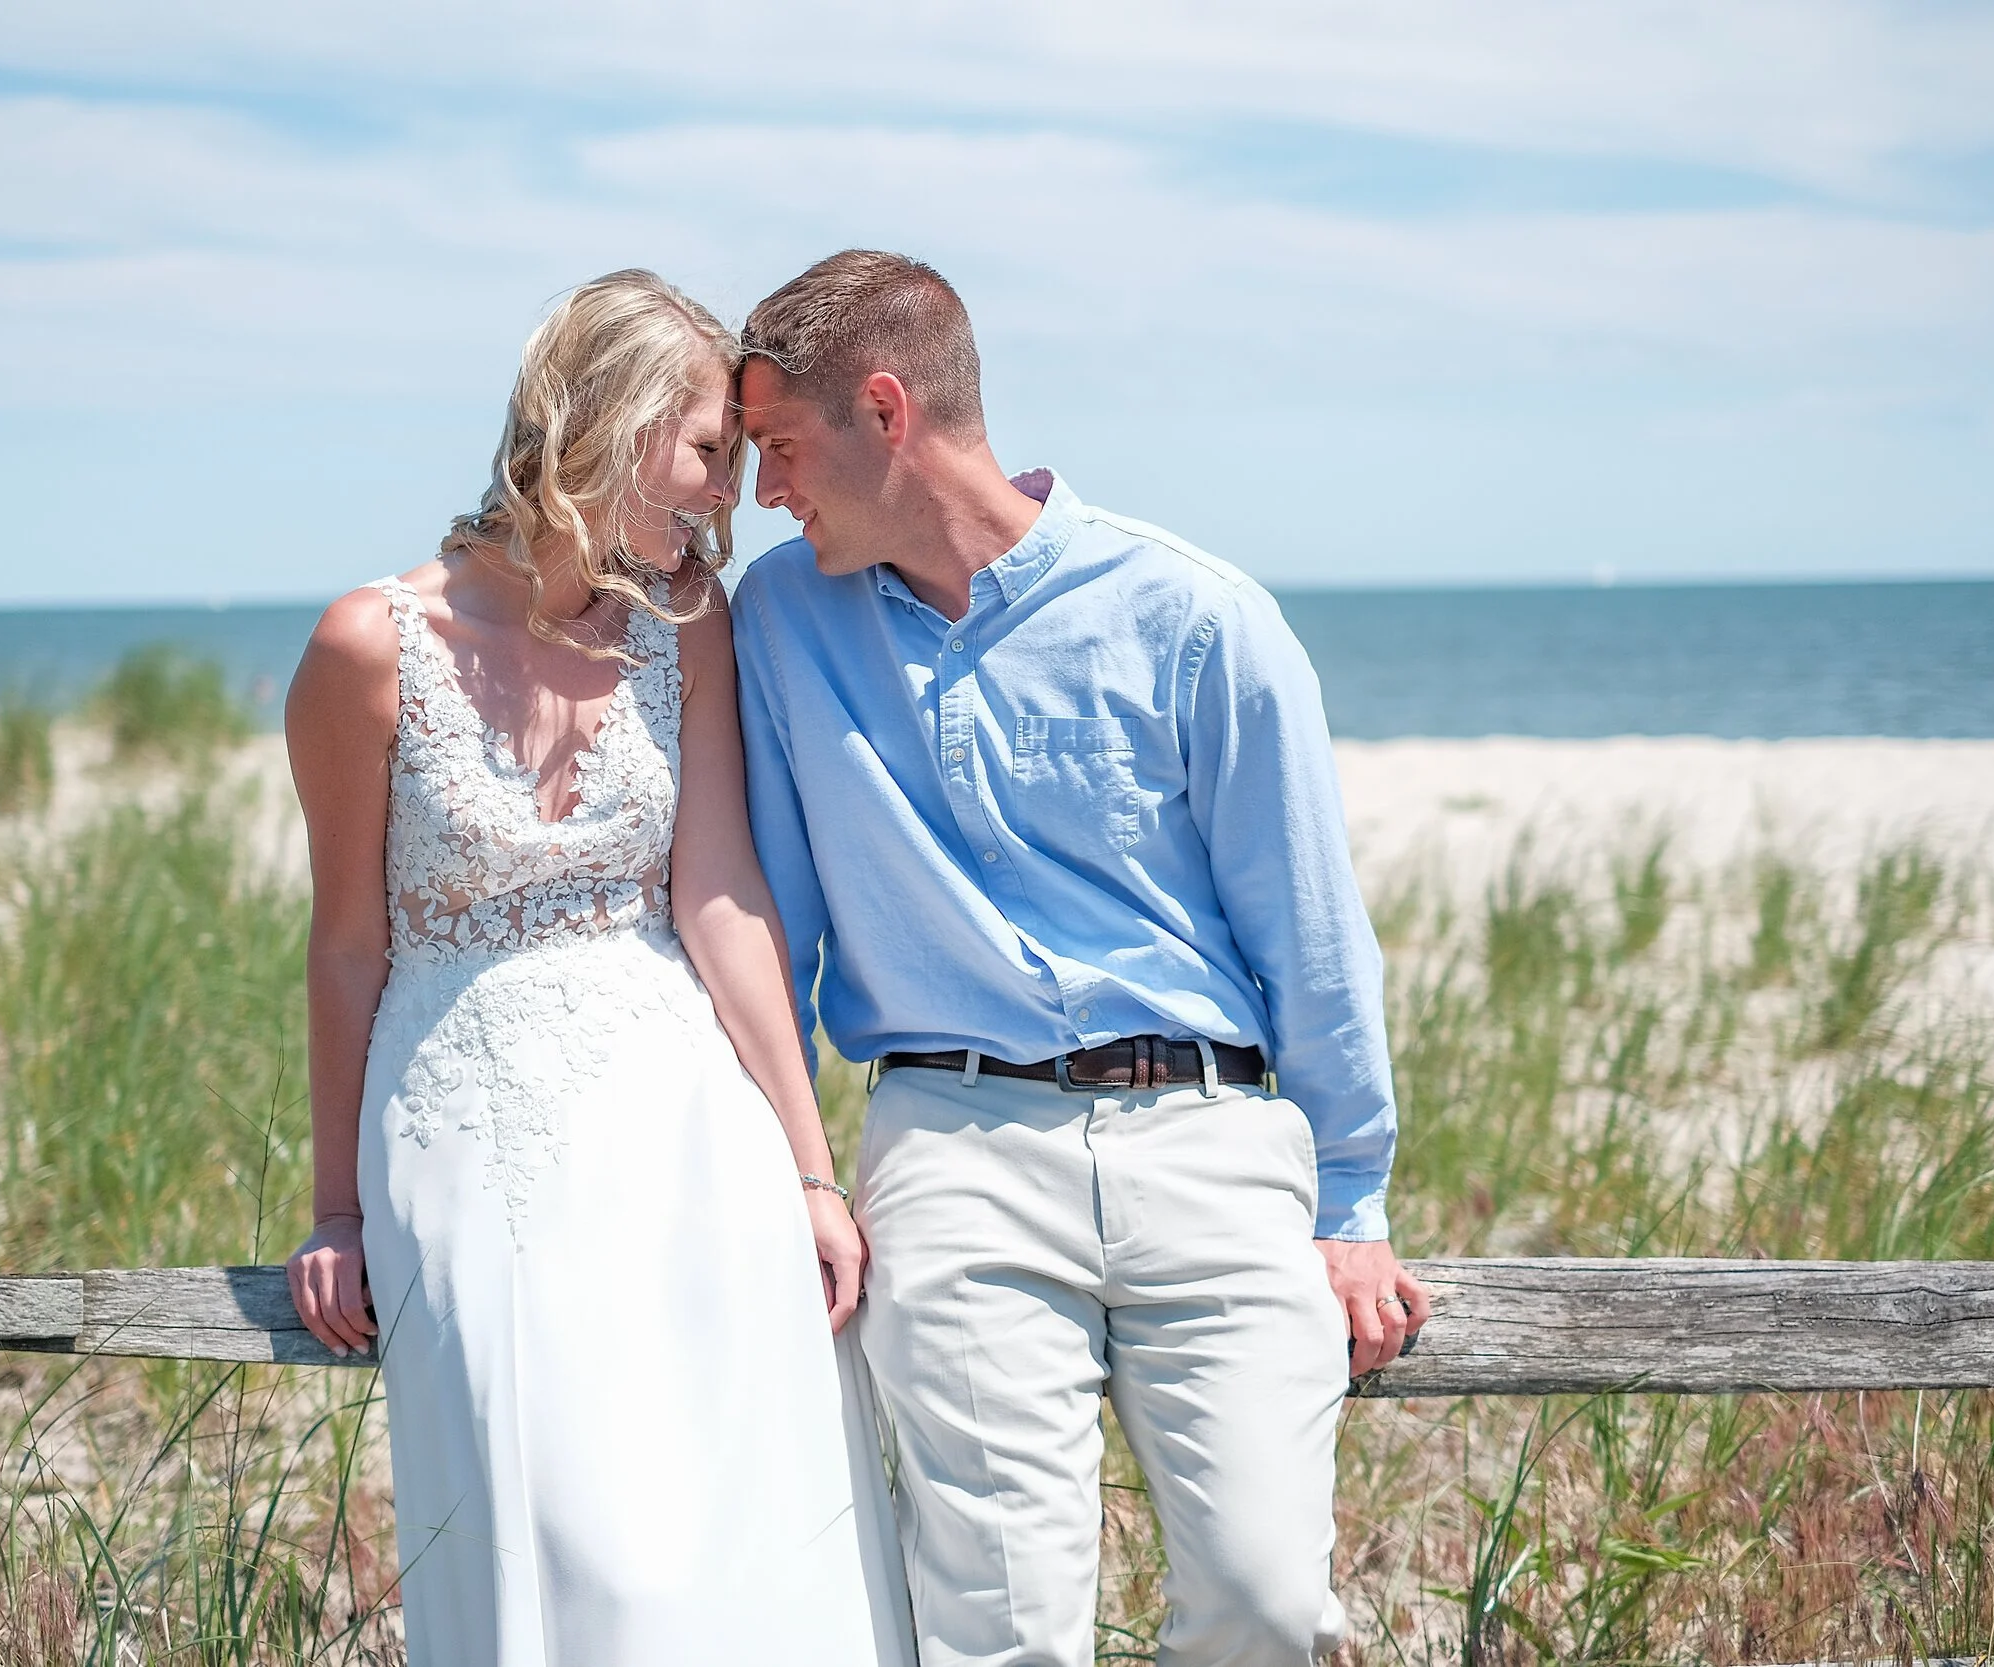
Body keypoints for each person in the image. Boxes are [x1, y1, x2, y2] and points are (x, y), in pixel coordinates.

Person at [730, 250, 1432, 1667]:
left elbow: (1308, 926)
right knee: (1003, 1628)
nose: (765, 494)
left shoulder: (1197, 620)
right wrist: (801, 1173)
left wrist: (1351, 1192)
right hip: (953, 1146)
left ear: (885, 412)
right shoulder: (780, 623)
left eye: (781, 448)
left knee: (1269, 1606)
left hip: (1212, 1144)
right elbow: (775, 931)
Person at [282, 269, 913, 1666]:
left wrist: (809, 1168)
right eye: (708, 454)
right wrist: (334, 1208)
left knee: (740, 1520)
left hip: (686, 1119)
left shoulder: (689, 625)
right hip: (470, 1128)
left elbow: (723, 893)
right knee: (570, 1540)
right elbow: (344, 946)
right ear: (606, 422)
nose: (728, 503)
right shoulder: (368, 648)